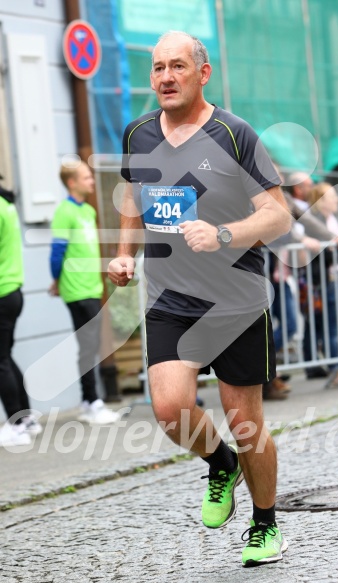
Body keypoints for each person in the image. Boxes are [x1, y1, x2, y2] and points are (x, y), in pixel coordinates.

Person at [108, 31, 291, 567]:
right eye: (158, 68)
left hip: (235, 301)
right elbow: (133, 198)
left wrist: (225, 234)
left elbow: (277, 215)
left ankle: (264, 524)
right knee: (169, 409)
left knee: (245, 420)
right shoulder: (138, 133)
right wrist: (124, 254)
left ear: (202, 73)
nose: (166, 77)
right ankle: (219, 465)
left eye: (178, 66)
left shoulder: (234, 134)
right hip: (171, 295)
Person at [49, 161, 119, 425]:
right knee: (88, 347)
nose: (91, 181)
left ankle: (89, 401)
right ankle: (92, 402)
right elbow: (57, 252)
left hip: (92, 287)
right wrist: (56, 280)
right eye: (86, 177)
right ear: (72, 183)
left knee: (90, 346)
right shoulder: (63, 212)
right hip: (77, 289)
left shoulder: (88, 211)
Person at [0, 183, 42, 447]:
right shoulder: (6, 204)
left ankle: (17, 426)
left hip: (2, 291)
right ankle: (26, 418)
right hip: (12, 291)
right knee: (5, 356)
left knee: (0, 360)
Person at [302, 182, 338, 369]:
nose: (337, 199)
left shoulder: (335, 220)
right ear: (321, 201)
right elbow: (327, 252)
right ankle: (334, 367)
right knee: (327, 324)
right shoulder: (314, 222)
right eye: (333, 196)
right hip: (324, 280)